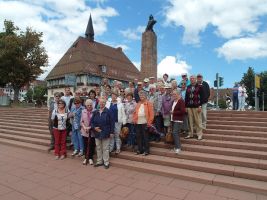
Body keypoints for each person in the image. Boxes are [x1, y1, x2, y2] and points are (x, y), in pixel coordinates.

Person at [91, 97, 114, 169]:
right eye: (100, 102)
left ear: (105, 103)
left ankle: (106, 162)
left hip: (106, 132)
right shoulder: (95, 112)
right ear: (98, 103)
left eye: (103, 102)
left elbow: (112, 123)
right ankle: (99, 161)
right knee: (98, 147)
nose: (101, 103)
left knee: (105, 148)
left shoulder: (108, 111)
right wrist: (94, 128)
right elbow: (91, 122)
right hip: (97, 132)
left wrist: (111, 132)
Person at [133, 90, 154, 156]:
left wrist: (149, 123)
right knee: (138, 137)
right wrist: (134, 120)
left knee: (145, 137)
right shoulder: (138, 103)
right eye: (140, 95)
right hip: (138, 122)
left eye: (142, 95)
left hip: (145, 122)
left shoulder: (149, 103)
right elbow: (135, 113)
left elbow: (151, 114)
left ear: (145, 96)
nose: (141, 96)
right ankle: (140, 150)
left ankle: (146, 150)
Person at [185, 75, 204, 140]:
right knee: (190, 121)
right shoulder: (188, 87)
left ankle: (199, 134)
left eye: (193, 78)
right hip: (189, 107)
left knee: (198, 121)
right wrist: (186, 106)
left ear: (195, 79)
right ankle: (190, 134)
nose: (192, 79)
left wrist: (200, 106)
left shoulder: (199, 86)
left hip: (197, 106)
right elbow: (186, 97)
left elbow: (202, 97)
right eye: (191, 78)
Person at [80, 99, 95, 165]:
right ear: (85, 105)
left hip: (92, 131)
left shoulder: (95, 112)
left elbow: (95, 122)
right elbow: (81, 121)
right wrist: (84, 127)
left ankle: (91, 158)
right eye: (88, 105)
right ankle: (86, 157)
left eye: (90, 105)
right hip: (84, 131)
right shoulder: (83, 111)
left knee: (91, 145)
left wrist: (89, 127)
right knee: (85, 144)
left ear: (92, 105)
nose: (89, 106)